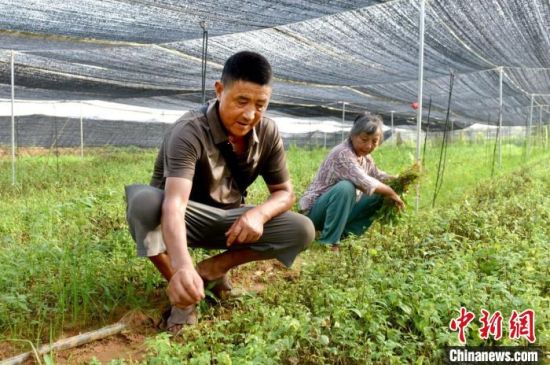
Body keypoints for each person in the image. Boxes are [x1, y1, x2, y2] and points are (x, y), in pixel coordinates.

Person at [125, 51, 314, 333]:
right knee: (144, 203)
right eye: (242, 101)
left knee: (302, 229)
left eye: (260, 105)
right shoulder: (188, 131)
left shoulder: (268, 132)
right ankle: (183, 293)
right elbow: (174, 206)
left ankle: (212, 270)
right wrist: (181, 268)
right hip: (185, 219)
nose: (250, 114)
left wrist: (259, 215)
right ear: (219, 90)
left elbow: (285, 193)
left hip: (231, 222)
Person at [299, 112, 404, 251]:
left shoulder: (365, 158)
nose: (368, 146)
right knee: (345, 187)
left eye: (374, 141)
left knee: (379, 194)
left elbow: (377, 175)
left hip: (339, 211)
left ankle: (345, 235)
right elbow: (365, 181)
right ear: (353, 135)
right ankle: (329, 242)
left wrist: (398, 180)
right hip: (314, 214)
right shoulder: (342, 154)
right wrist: (391, 192)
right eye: (364, 139)